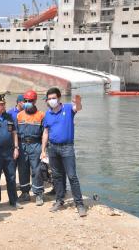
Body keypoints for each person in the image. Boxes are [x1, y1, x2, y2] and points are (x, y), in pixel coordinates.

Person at [41, 87, 87, 217]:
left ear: (59, 98)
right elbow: (45, 132)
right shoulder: (47, 114)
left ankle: (79, 204)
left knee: (72, 176)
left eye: (53, 98)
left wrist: (77, 101)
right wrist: (43, 150)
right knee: (57, 176)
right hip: (52, 148)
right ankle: (59, 201)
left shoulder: (67, 108)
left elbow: (78, 108)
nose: (51, 101)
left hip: (67, 147)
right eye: (49, 99)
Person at [16, 90, 46, 206]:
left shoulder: (41, 115)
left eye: (30, 101)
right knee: (23, 169)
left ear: (35, 101)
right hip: (22, 145)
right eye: (26, 101)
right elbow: (16, 133)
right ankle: (25, 193)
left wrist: (44, 150)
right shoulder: (19, 115)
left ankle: (38, 194)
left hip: (36, 145)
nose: (28, 102)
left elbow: (45, 133)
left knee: (37, 170)